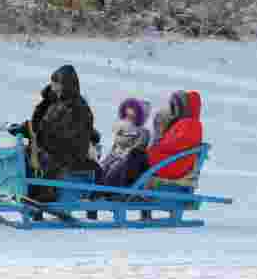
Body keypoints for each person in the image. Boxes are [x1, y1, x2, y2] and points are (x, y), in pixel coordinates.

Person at [8, 65, 98, 202]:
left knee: (47, 157)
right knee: (24, 153)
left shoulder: (76, 107)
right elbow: (44, 125)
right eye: (53, 83)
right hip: (55, 147)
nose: (53, 86)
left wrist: (33, 131)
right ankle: (20, 187)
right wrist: (27, 128)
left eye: (57, 83)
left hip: (71, 152)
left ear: (66, 84)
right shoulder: (56, 104)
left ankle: (46, 192)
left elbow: (63, 133)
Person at [146, 90, 203, 181]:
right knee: (136, 155)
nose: (174, 110)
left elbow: (178, 144)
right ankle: (121, 183)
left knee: (136, 155)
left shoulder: (191, 124)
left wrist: (156, 146)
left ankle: (121, 185)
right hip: (171, 163)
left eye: (176, 106)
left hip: (174, 166)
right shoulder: (184, 123)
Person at [98, 97, 152, 189]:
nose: (129, 119)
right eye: (127, 116)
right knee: (105, 168)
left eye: (132, 117)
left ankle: (105, 190)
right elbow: (114, 148)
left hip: (127, 162)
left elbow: (136, 150)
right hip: (118, 158)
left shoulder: (143, 132)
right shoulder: (122, 128)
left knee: (114, 169)